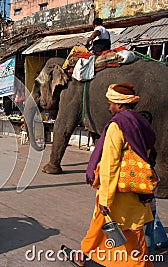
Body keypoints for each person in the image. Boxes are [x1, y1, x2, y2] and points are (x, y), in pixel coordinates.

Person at [62, 83, 155, 266]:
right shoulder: (141, 122)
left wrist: (105, 198)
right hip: (136, 186)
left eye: (111, 103)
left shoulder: (117, 125)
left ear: (119, 105)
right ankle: (82, 255)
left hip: (118, 192)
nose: (109, 106)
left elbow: (110, 165)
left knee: (129, 234)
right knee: (101, 226)